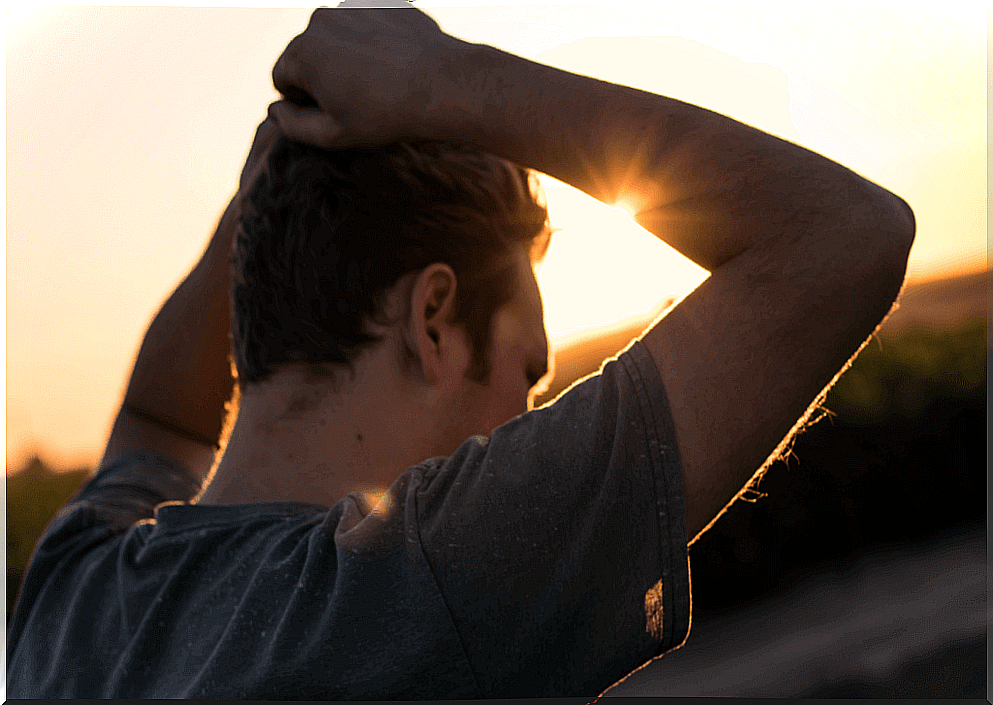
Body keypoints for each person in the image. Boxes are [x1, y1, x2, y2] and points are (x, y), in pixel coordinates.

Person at [6, 7, 915, 699]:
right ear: (433, 317)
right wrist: (444, 78)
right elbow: (843, 238)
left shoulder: (74, 589)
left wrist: (266, 186)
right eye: (525, 371)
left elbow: (157, 417)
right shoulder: (413, 591)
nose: (525, 414)